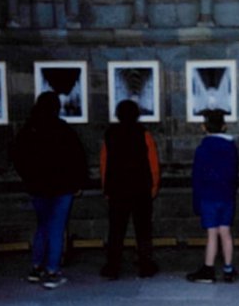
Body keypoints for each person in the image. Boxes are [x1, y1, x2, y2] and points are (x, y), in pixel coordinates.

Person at [12, 91, 88, 289]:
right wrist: (78, 183)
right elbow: (77, 158)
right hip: (62, 187)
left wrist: (29, 179)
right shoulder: (63, 130)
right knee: (56, 228)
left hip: (37, 187)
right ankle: (52, 271)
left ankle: (37, 267)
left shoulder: (29, 129)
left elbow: (18, 157)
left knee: (42, 226)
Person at [99, 99, 161, 280]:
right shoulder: (144, 134)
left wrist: (106, 188)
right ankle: (145, 265)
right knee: (143, 230)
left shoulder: (110, 134)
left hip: (117, 189)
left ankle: (113, 266)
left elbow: (104, 163)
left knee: (116, 230)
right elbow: (153, 163)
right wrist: (154, 186)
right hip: (141, 188)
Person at [186, 109, 239, 284]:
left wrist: (196, 202)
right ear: (224, 126)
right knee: (225, 232)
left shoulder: (203, 148)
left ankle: (208, 269)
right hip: (227, 195)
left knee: (212, 234)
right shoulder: (231, 147)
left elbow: (197, 177)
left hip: (208, 196)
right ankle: (228, 269)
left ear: (204, 127)